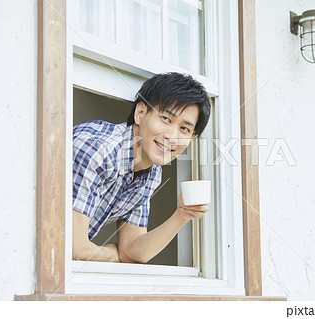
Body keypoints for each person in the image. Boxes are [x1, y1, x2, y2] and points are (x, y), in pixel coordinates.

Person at [72, 72, 211, 263]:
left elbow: (131, 252)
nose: (172, 136)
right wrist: (112, 254)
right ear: (140, 113)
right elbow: (73, 250)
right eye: (165, 119)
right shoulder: (98, 151)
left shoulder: (151, 173)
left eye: (184, 129)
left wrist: (182, 215)